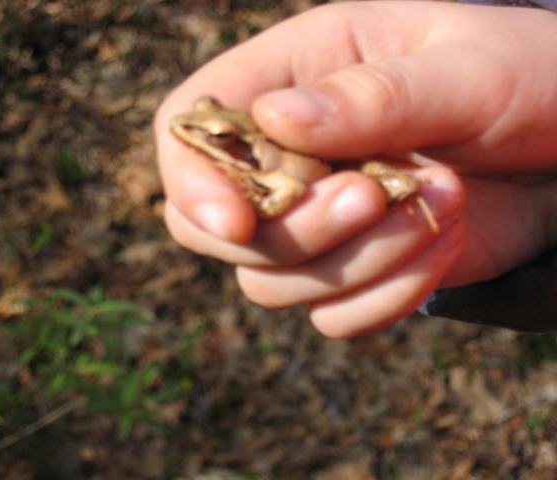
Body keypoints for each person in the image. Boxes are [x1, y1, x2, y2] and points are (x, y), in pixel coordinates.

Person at [154, 0, 557, 337]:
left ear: (236, 142)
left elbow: (289, 191)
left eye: (217, 134)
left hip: (340, 171)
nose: (189, 133)